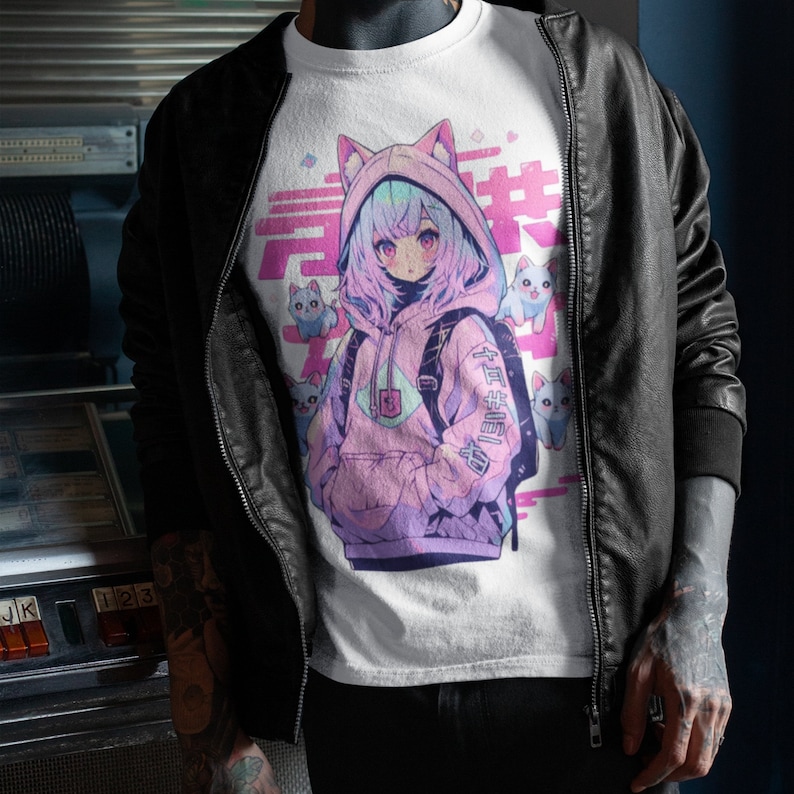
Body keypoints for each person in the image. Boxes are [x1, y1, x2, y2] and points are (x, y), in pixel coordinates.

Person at [118, 1, 745, 792]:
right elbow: (175, 419)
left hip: (594, 696)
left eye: (424, 238)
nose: (407, 257)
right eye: (386, 243)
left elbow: (701, 346)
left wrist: (700, 605)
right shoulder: (205, 129)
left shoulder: (592, 80)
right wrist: (207, 731)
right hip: (359, 702)